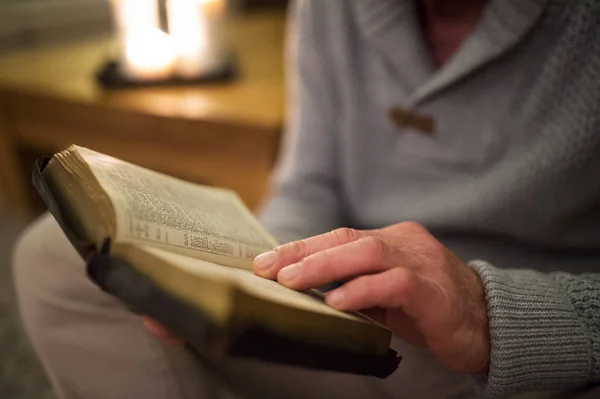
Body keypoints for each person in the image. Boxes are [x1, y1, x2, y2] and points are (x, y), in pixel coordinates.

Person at [12, 0, 600, 398]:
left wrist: (483, 314)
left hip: (545, 358)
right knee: (57, 254)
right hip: (367, 329)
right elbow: (309, 184)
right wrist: (249, 274)